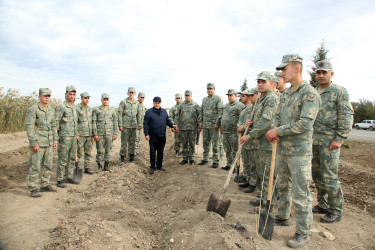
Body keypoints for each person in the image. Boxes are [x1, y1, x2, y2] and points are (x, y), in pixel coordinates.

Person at [265, 54, 321, 248]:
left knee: (301, 193)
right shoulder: (286, 94)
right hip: (283, 150)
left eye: (284, 69)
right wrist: (275, 129)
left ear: (296, 68)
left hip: (299, 153)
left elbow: (305, 124)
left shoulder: (310, 94)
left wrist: (278, 130)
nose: (282, 73)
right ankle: (283, 216)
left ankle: (303, 232)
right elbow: (277, 117)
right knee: (283, 187)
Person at [311, 59, 354, 223]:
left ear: (331, 74)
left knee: (329, 176)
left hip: (330, 142)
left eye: (324, 72)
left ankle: (336, 210)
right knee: (317, 174)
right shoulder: (314, 92)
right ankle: (323, 204)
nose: (321, 76)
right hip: (314, 140)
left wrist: (340, 138)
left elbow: (346, 115)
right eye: (318, 72)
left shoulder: (339, 91)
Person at [240, 72, 279, 209]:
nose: (260, 84)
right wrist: (251, 123)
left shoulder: (271, 99)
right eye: (258, 82)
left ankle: (269, 203)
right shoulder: (261, 99)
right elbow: (258, 120)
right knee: (262, 174)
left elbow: (265, 122)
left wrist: (249, 135)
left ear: (271, 83)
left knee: (268, 175)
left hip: (266, 144)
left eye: (263, 82)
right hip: (259, 144)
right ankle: (263, 199)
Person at [26, 88, 57, 197]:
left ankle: (45, 184)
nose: (47, 98)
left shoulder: (51, 110)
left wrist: (55, 140)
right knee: (35, 166)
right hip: (38, 143)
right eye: (45, 96)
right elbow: (29, 127)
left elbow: (53, 126)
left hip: (48, 142)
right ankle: (33, 187)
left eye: (49, 96)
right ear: (39, 96)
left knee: (48, 165)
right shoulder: (33, 109)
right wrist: (34, 143)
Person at [143, 96, 178, 174]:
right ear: (153, 103)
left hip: (162, 136)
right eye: (155, 103)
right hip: (152, 136)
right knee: (152, 152)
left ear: (160, 103)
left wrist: (172, 125)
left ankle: (159, 166)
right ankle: (152, 167)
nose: (157, 104)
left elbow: (168, 121)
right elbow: (145, 124)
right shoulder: (149, 112)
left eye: (158, 103)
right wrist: (146, 134)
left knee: (160, 151)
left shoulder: (164, 112)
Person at [55, 85, 80, 188]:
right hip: (64, 137)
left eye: (74, 94)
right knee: (63, 158)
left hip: (73, 137)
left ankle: (69, 176)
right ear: (66, 94)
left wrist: (77, 134)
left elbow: (75, 122)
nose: (72, 96)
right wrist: (56, 138)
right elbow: (56, 123)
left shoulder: (75, 107)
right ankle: (60, 179)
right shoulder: (61, 107)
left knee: (72, 157)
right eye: (70, 94)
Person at [237, 88, 259, 194]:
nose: (250, 97)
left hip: (253, 139)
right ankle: (248, 179)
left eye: (252, 95)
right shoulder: (248, 108)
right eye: (249, 95)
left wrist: (248, 127)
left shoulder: (257, 108)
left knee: (253, 163)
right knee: (247, 161)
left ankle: (253, 183)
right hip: (246, 138)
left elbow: (259, 125)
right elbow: (243, 122)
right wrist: (241, 127)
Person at [198, 83, 223, 168]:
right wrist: (200, 122)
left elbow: (220, 112)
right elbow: (201, 112)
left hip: (214, 126)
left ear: (214, 89)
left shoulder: (218, 99)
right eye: (208, 89)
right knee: (205, 144)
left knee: (215, 144)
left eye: (211, 88)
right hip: (205, 126)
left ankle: (216, 161)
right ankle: (205, 159)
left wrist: (217, 123)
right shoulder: (204, 99)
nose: (209, 90)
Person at [218, 89, 245, 170]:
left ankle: (235, 167)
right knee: (227, 149)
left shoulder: (239, 106)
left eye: (231, 95)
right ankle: (229, 164)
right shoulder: (226, 106)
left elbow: (242, 118)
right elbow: (223, 117)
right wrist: (222, 127)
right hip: (225, 132)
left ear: (235, 96)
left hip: (234, 132)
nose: (229, 97)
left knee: (234, 150)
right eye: (228, 95)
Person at [92, 93, 118, 172]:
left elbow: (115, 122)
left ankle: (106, 165)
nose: (105, 101)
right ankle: (99, 166)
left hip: (109, 133)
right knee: (100, 150)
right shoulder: (97, 110)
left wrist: (115, 133)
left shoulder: (112, 110)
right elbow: (94, 122)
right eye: (104, 100)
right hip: (100, 133)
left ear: (109, 100)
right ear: (101, 100)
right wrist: (95, 134)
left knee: (108, 149)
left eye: (107, 100)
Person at [175, 90, 201, 165]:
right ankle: (185, 158)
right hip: (183, 128)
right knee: (184, 143)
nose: (187, 97)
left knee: (192, 143)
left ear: (191, 96)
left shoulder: (195, 105)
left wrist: (199, 125)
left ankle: (192, 158)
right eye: (186, 95)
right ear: (184, 96)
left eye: (188, 95)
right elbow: (177, 116)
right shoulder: (181, 105)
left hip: (193, 128)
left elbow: (199, 116)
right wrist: (176, 125)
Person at [118, 87, 142, 163]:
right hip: (125, 125)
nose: (131, 94)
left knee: (132, 141)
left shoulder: (137, 103)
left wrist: (139, 124)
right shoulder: (123, 102)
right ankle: (122, 157)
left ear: (135, 94)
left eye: (133, 92)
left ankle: (131, 156)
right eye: (130, 92)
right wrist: (120, 125)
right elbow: (120, 114)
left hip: (133, 125)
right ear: (127, 93)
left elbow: (139, 114)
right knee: (124, 142)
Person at [76, 92, 94, 175]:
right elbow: (75, 122)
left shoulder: (90, 109)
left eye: (88, 98)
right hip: (81, 135)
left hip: (89, 135)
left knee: (88, 152)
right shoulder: (77, 108)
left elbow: (92, 122)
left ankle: (87, 167)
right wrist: (76, 134)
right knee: (79, 152)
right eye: (85, 98)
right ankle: (78, 168)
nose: (87, 100)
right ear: (81, 98)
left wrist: (93, 133)